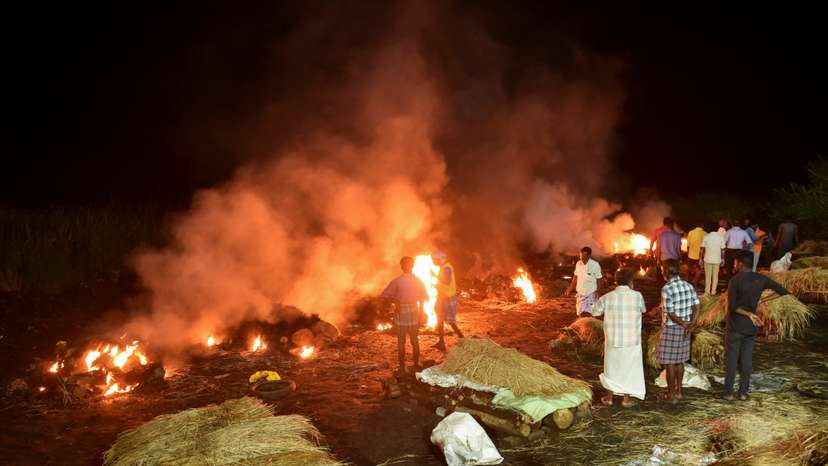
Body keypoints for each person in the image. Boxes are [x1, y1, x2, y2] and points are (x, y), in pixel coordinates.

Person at [723, 252, 789, 400]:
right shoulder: (761, 279)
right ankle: (743, 393)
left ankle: (728, 393)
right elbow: (783, 291)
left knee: (732, 359)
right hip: (751, 327)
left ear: (740, 263)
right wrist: (763, 300)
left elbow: (733, 307)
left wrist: (748, 314)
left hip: (736, 326)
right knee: (747, 360)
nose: (735, 265)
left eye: (736, 262)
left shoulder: (735, 280)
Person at [592, 268, 646, 407]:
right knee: (629, 369)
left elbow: (595, 312)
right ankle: (626, 400)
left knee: (611, 368)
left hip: (613, 339)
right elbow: (643, 309)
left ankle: (609, 398)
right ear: (631, 281)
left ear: (616, 281)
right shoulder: (637, 296)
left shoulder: (607, 297)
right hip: (631, 340)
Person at [657, 259, 699, 403]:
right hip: (685, 329)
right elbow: (697, 306)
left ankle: (671, 396)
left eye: (662, 270)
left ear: (666, 272)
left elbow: (670, 313)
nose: (662, 272)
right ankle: (679, 391)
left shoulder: (666, 289)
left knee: (669, 362)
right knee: (680, 361)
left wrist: (683, 323)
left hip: (672, 328)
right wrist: (691, 324)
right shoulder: (688, 285)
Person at [382, 256, 429, 375]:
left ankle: (402, 367)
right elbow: (423, 299)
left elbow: (385, 295)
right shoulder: (418, 281)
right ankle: (416, 363)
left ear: (401, 267)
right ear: (413, 266)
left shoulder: (397, 281)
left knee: (401, 341)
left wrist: (396, 302)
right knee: (414, 340)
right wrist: (421, 314)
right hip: (414, 311)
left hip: (401, 312)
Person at [432, 251, 463, 351]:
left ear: (440, 259)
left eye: (434, 260)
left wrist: (435, 282)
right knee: (442, 320)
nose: (433, 262)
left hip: (446, 298)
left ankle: (462, 338)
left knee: (447, 321)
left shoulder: (446, 268)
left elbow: (446, 281)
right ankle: (442, 342)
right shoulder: (444, 267)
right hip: (444, 297)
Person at [566, 246, 603, 316]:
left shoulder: (595, 265)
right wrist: (570, 288)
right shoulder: (578, 264)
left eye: (584, 256)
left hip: (591, 294)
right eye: (580, 256)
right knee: (580, 314)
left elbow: (599, 279)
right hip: (580, 294)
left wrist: (598, 292)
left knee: (591, 314)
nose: (582, 258)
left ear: (589, 256)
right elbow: (575, 277)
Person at [700, 223, 726, 295]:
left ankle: (707, 292)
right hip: (717, 260)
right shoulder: (721, 237)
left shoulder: (706, 237)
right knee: (715, 277)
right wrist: (723, 259)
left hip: (707, 259)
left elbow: (702, 249)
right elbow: (723, 250)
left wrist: (700, 259)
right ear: (717, 228)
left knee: (708, 276)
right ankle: (713, 292)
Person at [686, 220, 706, 287]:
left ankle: (687, 282)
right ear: (702, 225)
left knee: (689, 269)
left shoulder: (691, 232)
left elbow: (688, 246)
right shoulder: (705, 234)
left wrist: (688, 254)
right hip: (700, 256)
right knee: (699, 270)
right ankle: (695, 283)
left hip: (691, 255)